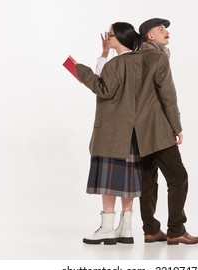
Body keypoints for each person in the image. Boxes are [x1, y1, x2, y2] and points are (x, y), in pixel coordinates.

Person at [76, 22, 143, 245]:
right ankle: (126, 229)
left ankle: (107, 228)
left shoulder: (116, 64)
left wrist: (81, 70)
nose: (107, 37)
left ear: (120, 38)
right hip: (135, 131)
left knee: (110, 182)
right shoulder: (141, 61)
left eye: (110, 35)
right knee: (127, 182)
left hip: (113, 130)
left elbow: (103, 88)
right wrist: (104, 53)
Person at [138, 18, 198, 244]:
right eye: (161, 29)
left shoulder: (135, 57)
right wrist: (176, 127)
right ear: (150, 36)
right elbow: (168, 95)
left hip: (138, 130)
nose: (166, 32)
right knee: (178, 177)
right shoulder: (158, 57)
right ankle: (176, 230)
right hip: (158, 128)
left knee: (148, 179)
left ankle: (150, 230)